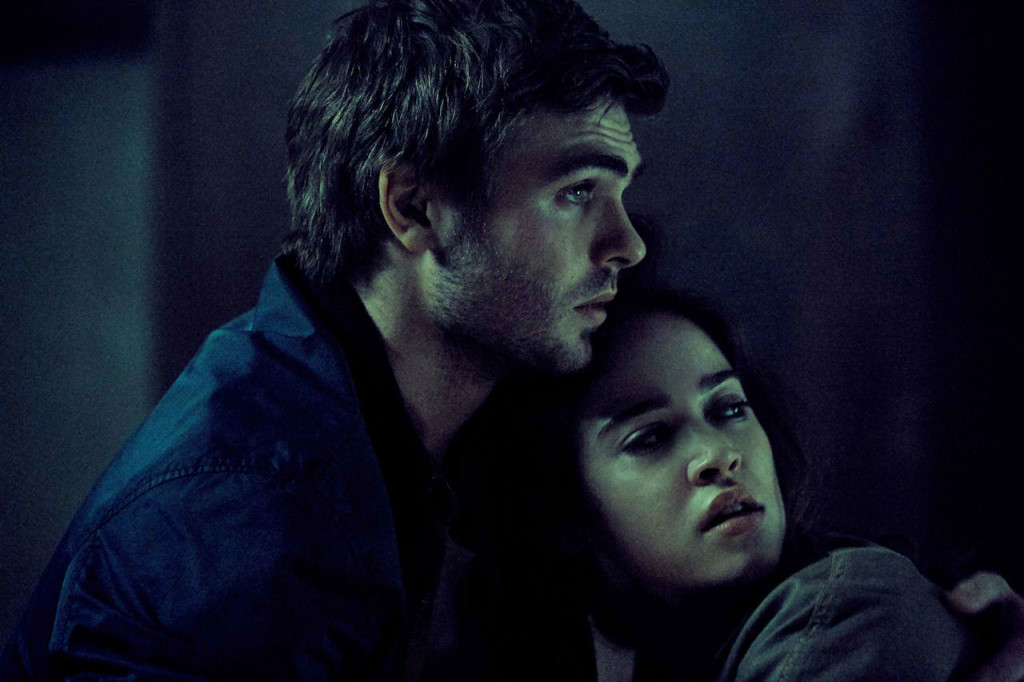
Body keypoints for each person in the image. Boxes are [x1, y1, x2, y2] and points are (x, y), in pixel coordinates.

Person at [0, 1, 667, 679]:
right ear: (413, 208)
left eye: (619, 192)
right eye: (576, 192)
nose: (628, 244)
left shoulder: (441, 442)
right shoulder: (253, 516)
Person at [453, 288, 1008, 680]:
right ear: (563, 504)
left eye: (729, 408)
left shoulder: (847, 611)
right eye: (650, 437)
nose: (718, 455)